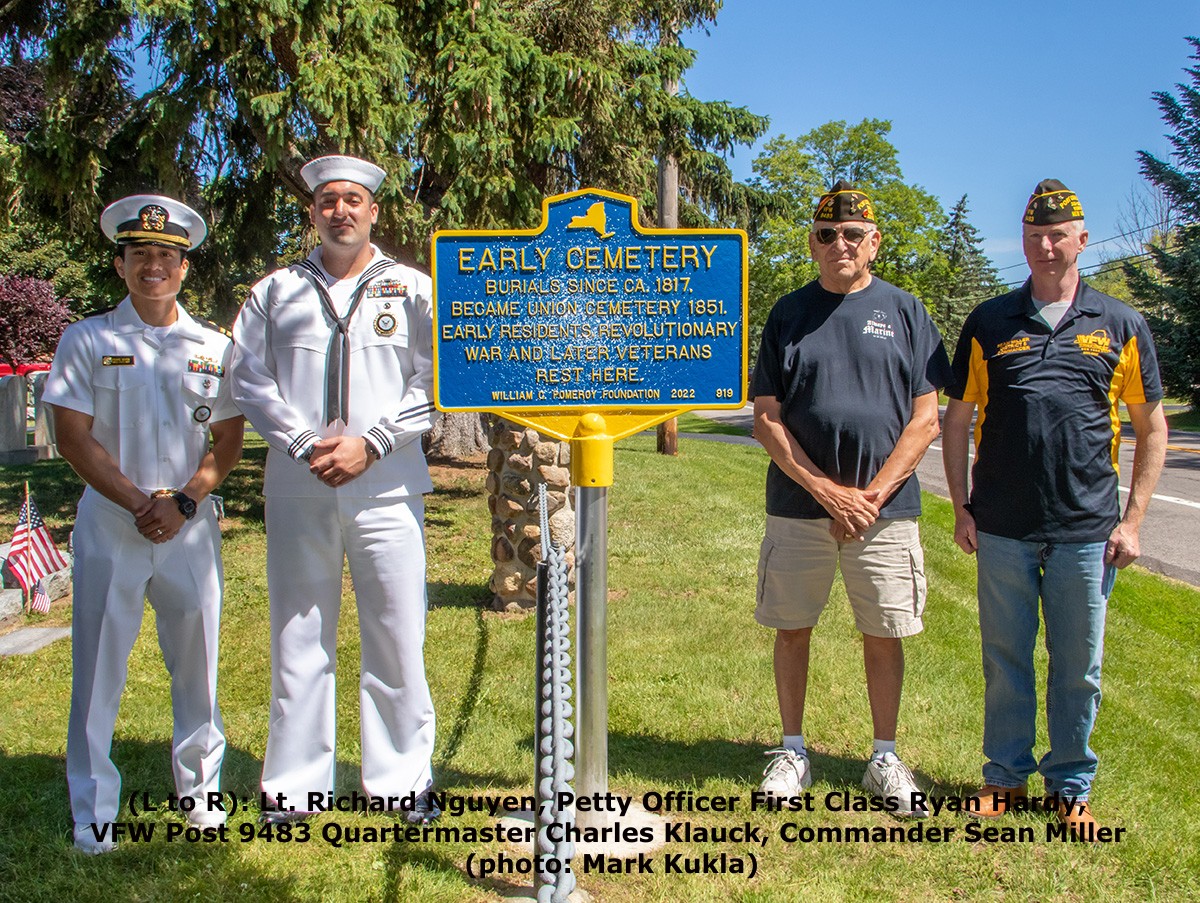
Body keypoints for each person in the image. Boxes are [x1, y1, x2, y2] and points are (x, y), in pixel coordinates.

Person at [942, 180, 1167, 839]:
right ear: (1023, 241)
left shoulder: (1119, 323)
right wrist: (961, 507)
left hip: (1086, 530)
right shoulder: (990, 322)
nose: (1045, 246)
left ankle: (1070, 788)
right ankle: (1004, 777)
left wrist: (1133, 521)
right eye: (1034, 235)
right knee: (1005, 660)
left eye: (1057, 234)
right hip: (1002, 526)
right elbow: (956, 422)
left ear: (1082, 240)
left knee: (1078, 669)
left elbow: (1151, 427)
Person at [229, 154, 439, 823]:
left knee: (397, 632)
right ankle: (294, 787)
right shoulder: (275, 291)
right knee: (299, 632)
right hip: (300, 482)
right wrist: (302, 441)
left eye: (352, 200)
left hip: (388, 484)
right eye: (327, 201)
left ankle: (402, 780)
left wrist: (371, 442)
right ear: (313, 211)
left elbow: (435, 378)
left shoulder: (413, 289)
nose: (340, 211)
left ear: (373, 210)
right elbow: (247, 377)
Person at [45, 195, 244, 853]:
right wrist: (138, 501)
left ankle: (202, 798)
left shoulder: (213, 346)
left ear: (184, 267)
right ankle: (93, 813)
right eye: (139, 254)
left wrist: (184, 500)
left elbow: (228, 438)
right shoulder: (88, 339)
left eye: (165, 255)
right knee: (98, 671)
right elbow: (72, 435)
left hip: (189, 526)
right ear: (120, 264)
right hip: (113, 523)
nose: (152, 265)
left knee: (199, 669)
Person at [750, 181, 950, 817]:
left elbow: (926, 419)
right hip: (799, 507)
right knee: (792, 629)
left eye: (853, 234)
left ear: (874, 242)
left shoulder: (907, 311)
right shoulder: (788, 314)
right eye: (827, 234)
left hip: (884, 514)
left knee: (884, 633)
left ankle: (884, 758)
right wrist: (825, 490)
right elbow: (767, 417)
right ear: (813, 244)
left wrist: (869, 497)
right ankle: (792, 752)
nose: (841, 244)